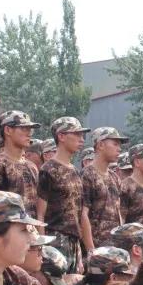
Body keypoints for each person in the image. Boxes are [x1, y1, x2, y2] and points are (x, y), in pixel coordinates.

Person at [38, 117, 93, 274]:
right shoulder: (48, 169)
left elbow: (80, 213)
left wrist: (84, 250)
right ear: (61, 136)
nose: (81, 139)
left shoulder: (75, 171)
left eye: (82, 135)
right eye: (76, 134)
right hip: (55, 239)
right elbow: (40, 214)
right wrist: (43, 248)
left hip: (74, 241)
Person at [83, 127, 129, 247]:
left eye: (119, 145)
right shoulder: (87, 174)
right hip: (96, 246)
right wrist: (91, 250)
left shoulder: (114, 177)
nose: (119, 149)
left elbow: (119, 212)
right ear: (100, 145)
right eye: (115, 144)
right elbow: (83, 215)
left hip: (114, 246)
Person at [0, 110, 41, 212]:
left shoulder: (31, 167)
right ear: (8, 130)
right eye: (24, 129)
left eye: (30, 130)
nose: (29, 134)